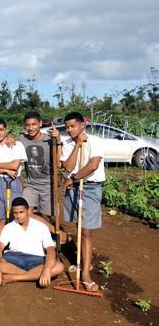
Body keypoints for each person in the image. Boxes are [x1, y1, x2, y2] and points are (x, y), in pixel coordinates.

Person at [60, 112, 105, 292]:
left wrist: (75, 178)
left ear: (82, 125)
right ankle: (81, 263)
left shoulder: (95, 141)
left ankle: (85, 273)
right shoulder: (68, 143)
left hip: (90, 187)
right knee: (79, 226)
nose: (70, 130)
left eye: (73, 126)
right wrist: (77, 145)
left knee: (87, 231)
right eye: (68, 127)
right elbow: (68, 167)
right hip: (74, 188)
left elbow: (93, 165)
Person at [0, 197, 64, 286]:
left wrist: (46, 269)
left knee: (59, 267)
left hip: (37, 259)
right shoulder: (9, 227)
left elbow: (50, 250)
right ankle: (32, 275)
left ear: (28, 211)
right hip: (14, 258)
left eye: (21, 212)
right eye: (15, 213)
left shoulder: (41, 226)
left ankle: (13, 277)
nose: (18, 216)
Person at [0, 118, 27, 236]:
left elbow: (15, 166)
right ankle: (2, 245)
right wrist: (5, 170)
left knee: (16, 215)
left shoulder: (16, 144)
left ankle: (15, 244)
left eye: (1, 130)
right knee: (0, 218)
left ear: (5, 130)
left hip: (13, 181)